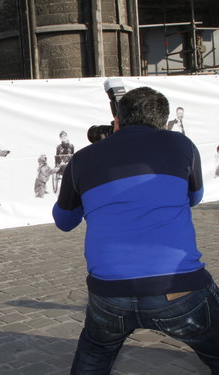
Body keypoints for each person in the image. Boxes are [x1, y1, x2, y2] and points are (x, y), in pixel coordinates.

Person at [53, 86, 219, 374]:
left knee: (95, 352)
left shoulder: (82, 159)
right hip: (179, 290)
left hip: (109, 293)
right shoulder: (183, 146)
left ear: (117, 120)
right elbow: (194, 197)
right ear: (163, 121)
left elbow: (64, 221)